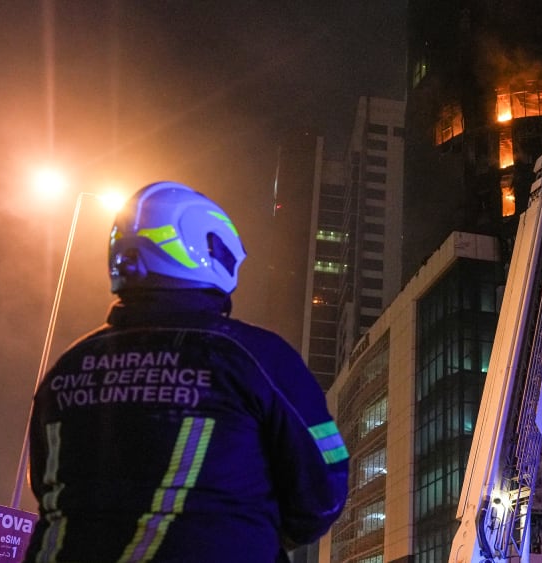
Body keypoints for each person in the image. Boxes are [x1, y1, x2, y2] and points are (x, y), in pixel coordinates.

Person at [25, 181, 348, 562]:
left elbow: (46, 485)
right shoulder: (256, 357)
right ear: (208, 248)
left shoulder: (67, 368)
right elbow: (323, 489)